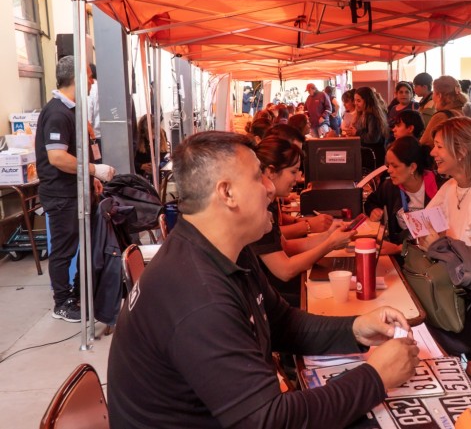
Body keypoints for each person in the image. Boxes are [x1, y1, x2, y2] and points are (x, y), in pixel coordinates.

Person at [107, 131, 419, 428]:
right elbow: (270, 421)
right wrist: (376, 377)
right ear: (227, 193)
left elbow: (282, 323)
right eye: (259, 177)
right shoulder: (198, 296)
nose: (270, 188)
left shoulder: (227, 251)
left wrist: (356, 328)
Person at [35, 55, 116, 322]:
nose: (92, 82)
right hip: (61, 195)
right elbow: (58, 158)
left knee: (84, 242)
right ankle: (62, 302)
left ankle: (79, 292)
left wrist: (90, 178)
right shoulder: (57, 113)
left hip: (77, 190)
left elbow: (76, 152)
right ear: (77, 78)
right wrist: (94, 169)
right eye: (89, 77)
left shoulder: (73, 111)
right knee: (63, 249)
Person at [421, 117, 471, 376]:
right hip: (451, 284)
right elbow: (424, 224)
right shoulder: (450, 187)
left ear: (462, 151)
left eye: (439, 146)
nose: (432, 152)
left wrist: (442, 246)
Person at [249, 137, 356, 306]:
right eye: (293, 172)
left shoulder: (269, 204)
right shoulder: (258, 209)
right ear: (271, 171)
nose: (298, 178)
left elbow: (286, 246)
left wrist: (328, 236)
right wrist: (330, 244)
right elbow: (285, 270)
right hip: (264, 299)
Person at [364, 137, 442, 250]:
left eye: (395, 166)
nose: (389, 170)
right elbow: (371, 202)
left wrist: (398, 249)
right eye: (388, 165)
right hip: (402, 253)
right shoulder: (390, 187)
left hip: (434, 253)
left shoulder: (439, 188)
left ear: (412, 167)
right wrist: (373, 210)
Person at [343, 86, 388, 170]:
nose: (355, 103)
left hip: (373, 155)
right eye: (355, 100)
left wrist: (356, 133)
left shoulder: (372, 115)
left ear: (367, 101)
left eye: (359, 101)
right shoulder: (362, 113)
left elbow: (373, 138)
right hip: (367, 154)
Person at [419, 76, 467, 148]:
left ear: (439, 95)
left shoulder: (441, 116)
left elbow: (424, 142)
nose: (432, 96)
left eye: (434, 92)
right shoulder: (460, 112)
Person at [135, 114, 169, 181]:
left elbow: (164, 154)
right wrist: (141, 166)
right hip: (140, 175)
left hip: (157, 172)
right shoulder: (137, 137)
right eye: (149, 134)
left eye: (154, 134)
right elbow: (130, 160)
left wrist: (159, 165)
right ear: (143, 133)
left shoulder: (162, 133)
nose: (152, 137)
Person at [86, 63, 101, 154]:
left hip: (94, 136)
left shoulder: (89, 88)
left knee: (97, 160)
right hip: (105, 133)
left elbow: (88, 116)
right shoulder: (102, 86)